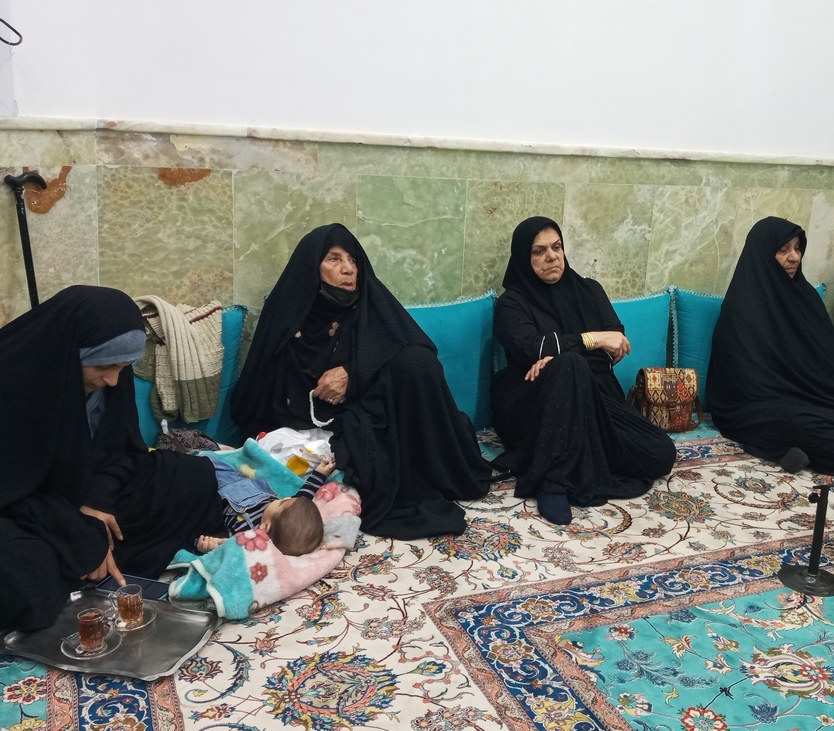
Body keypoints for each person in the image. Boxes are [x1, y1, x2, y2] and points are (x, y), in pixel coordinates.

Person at [230, 224, 493, 539]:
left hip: (376, 416)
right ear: (312, 266)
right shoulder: (286, 314)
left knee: (417, 362)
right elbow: (261, 393)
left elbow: (414, 351)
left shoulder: (371, 308)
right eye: (334, 259)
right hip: (316, 429)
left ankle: (435, 469)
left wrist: (353, 373)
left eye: (353, 260)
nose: (348, 269)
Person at [0, 286, 226, 632]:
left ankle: (93, 559)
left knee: (191, 475)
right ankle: (87, 560)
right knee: (21, 568)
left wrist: (96, 502)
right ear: (70, 354)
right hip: (26, 507)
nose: (113, 380)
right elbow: (12, 489)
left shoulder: (110, 380)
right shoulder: (12, 380)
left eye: (123, 367)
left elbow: (122, 450)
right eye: (104, 366)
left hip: (84, 488)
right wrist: (75, 528)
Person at [491, 216, 676, 525]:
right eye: (539, 251)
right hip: (533, 399)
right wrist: (589, 342)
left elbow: (615, 348)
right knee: (569, 365)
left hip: (596, 397)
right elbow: (530, 349)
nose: (552, 256)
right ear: (524, 257)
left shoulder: (589, 291)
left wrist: (556, 355)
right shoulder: (512, 303)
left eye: (557, 247)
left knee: (661, 453)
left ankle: (567, 458)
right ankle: (552, 481)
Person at [706, 217, 834, 475]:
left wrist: (824, 398)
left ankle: (790, 450)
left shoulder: (806, 297)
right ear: (762, 253)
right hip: (758, 406)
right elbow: (742, 383)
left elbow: (830, 365)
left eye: (798, 248)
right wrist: (800, 400)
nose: (794, 257)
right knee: (810, 428)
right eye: (783, 250)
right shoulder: (742, 306)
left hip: (815, 397)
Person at [196, 457, 335, 556]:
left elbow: (222, 545)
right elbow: (304, 495)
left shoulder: (245, 539)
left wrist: (207, 546)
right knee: (207, 458)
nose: (287, 497)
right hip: (238, 479)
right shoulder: (288, 512)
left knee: (202, 462)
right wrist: (320, 474)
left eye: (282, 502)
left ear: (265, 526)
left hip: (212, 494)